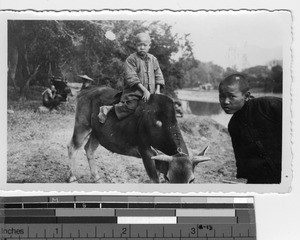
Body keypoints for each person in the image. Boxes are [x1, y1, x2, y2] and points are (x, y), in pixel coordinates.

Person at [218, 73, 282, 184]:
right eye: (222, 96)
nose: (225, 101)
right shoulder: (234, 125)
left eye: (232, 96)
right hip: (263, 181)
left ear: (246, 96)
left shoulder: (269, 106)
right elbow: (243, 162)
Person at [98, 32, 165, 123]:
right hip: (134, 94)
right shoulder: (131, 59)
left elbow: (158, 74)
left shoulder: (153, 59)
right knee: (131, 106)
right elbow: (132, 77)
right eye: (139, 45)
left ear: (149, 45)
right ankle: (108, 109)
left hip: (151, 94)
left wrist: (158, 90)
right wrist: (144, 90)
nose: (142, 47)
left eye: (145, 45)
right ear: (135, 46)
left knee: (163, 107)